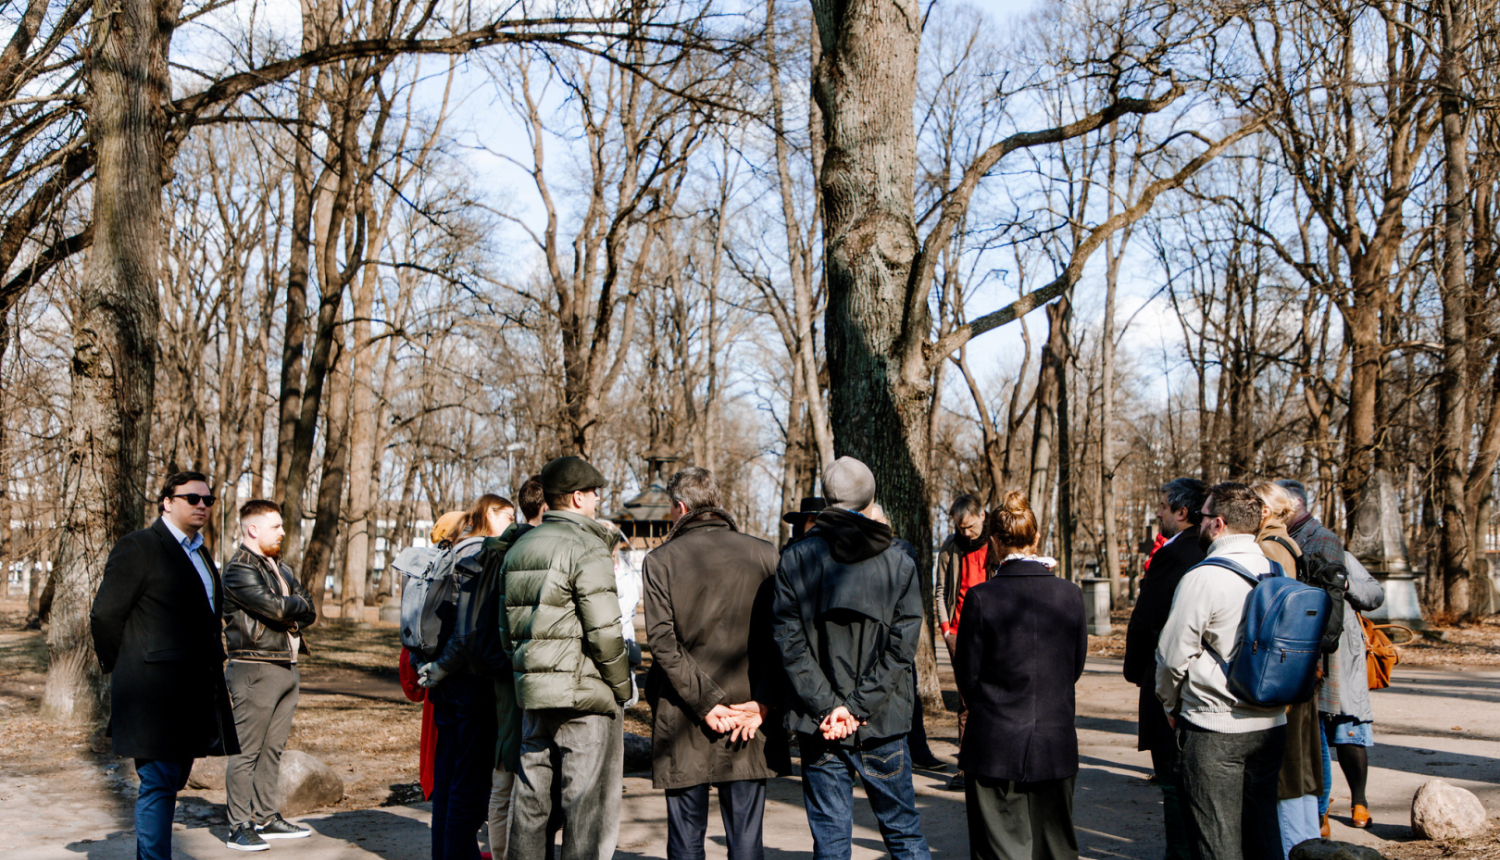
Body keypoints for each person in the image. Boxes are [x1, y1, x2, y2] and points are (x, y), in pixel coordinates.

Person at [772, 457, 931, 860]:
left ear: (827, 501)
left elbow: (789, 643)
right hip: (880, 720)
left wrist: (831, 707)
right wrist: (855, 707)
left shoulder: (795, 558)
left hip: (822, 723)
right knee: (904, 834)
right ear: (870, 499)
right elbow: (902, 649)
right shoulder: (899, 562)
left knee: (831, 842)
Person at [90, 471, 240, 860]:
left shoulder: (201, 553)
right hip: (152, 693)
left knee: (173, 780)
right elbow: (105, 615)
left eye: (208, 500)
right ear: (167, 502)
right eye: (192, 498)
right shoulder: (139, 546)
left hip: (196, 691)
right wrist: (126, 666)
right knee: (158, 781)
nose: (202, 505)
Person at [643, 467, 790, 860]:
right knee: (745, 841)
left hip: (685, 712)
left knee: (686, 841)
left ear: (680, 506)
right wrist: (764, 701)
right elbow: (783, 637)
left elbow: (662, 642)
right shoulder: (764, 553)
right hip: (747, 713)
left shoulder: (660, 560)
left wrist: (707, 702)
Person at [500, 456, 632, 860]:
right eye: (593, 493)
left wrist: (526, 672)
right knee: (584, 807)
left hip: (534, 694)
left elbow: (505, 629)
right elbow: (605, 632)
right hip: (584, 696)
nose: (597, 500)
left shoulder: (519, 546)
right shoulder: (588, 546)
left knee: (530, 804)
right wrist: (622, 687)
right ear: (576, 498)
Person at [1155, 481, 1287, 860]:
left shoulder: (1204, 576)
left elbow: (1172, 656)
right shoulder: (1276, 571)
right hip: (1272, 723)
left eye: (1204, 516)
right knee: (1264, 836)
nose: (1200, 523)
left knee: (1217, 843)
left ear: (1219, 524)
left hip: (1215, 726)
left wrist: (1170, 705)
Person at [955, 491, 1086, 860]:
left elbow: (968, 677)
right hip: (1054, 741)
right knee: (1055, 850)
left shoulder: (981, 598)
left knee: (1000, 851)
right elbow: (1073, 667)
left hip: (995, 742)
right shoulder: (1070, 595)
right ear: (1037, 538)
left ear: (995, 543)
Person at [1277, 480, 1383, 833]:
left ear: (1294, 504)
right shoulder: (1289, 544)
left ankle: (1359, 801)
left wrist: (1344, 583)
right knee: (1319, 732)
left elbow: (1375, 594)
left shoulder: (1333, 547)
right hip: (1317, 653)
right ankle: (1321, 812)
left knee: (1349, 730)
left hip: (1343, 654)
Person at [221, 499, 317, 849]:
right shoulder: (238, 569)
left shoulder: (281, 568)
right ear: (252, 529)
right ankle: (238, 825)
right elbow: (277, 609)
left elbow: (310, 609)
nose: (282, 532)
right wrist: (293, 606)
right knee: (247, 751)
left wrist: (293, 607)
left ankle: (266, 817)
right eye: (275, 526)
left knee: (272, 750)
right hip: (254, 668)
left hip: (287, 666)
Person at [417, 501, 508, 860]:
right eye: (507, 516)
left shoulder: (448, 553)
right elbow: (468, 630)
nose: (511, 522)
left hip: (445, 684)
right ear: (490, 514)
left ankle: (444, 853)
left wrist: (435, 668)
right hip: (469, 680)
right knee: (468, 785)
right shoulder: (481, 555)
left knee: (447, 779)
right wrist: (444, 666)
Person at [1122, 478, 1206, 860]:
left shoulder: (1174, 555)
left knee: (1174, 783)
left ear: (1182, 512)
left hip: (1170, 680)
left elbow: (1146, 620)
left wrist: (1135, 670)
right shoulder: (1205, 548)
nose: (1158, 513)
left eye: (1163, 506)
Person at [1250, 482, 1322, 858]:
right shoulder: (1287, 542)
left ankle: (1296, 848)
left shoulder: (1269, 546)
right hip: (1296, 670)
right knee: (1299, 768)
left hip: (1282, 672)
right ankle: (1307, 845)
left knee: (1288, 771)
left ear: (1264, 510)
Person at [482, 479, 546, 860]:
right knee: (514, 769)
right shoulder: (529, 548)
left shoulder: (498, 550)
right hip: (521, 671)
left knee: (505, 769)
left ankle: (500, 851)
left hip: (502, 671)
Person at [864, 503, 943, 770]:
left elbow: (910, 591)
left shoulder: (902, 550)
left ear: (886, 522)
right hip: (868, 639)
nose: (874, 527)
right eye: (869, 521)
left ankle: (917, 751)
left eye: (878, 521)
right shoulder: (856, 552)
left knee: (909, 694)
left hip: (896, 635)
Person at [934, 493, 987, 791]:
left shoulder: (996, 545)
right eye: (959, 527)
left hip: (992, 634)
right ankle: (966, 769)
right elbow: (940, 590)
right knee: (966, 703)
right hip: (958, 635)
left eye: (969, 526)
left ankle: (991, 765)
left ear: (982, 515)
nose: (965, 533)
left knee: (992, 700)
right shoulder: (950, 547)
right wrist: (946, 631)